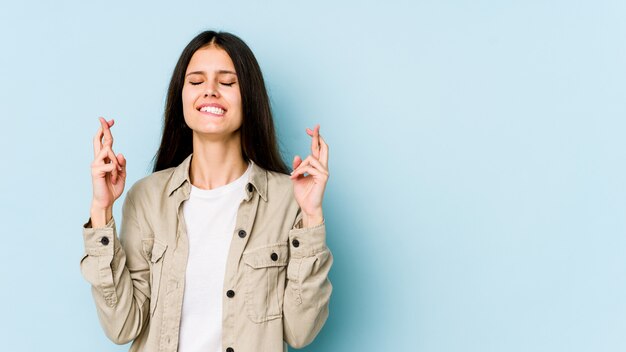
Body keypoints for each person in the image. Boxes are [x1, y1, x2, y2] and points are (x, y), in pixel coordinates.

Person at [80, 30, 332, 352]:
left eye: (227, 83)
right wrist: (101, 210)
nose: (210, 92)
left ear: (249, 98)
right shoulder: (146, 198)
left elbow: (300, 332)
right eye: (196, 82)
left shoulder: (287, 199)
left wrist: (311, 216)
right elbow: (122, 326)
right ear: (181, 97)